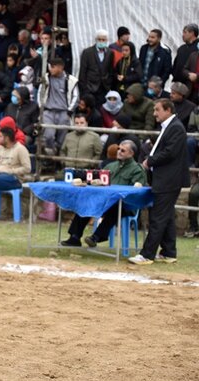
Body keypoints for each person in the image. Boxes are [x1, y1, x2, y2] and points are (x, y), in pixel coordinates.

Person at [129, 99, 190, 265]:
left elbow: (170, 153)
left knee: (158, 218)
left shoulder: (176, 127)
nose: (154, 113)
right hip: (165, 179)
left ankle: (147, 255)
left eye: (157, 110)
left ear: (168, 110)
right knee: (167, 216)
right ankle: (169, 252)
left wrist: (150, 161)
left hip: (169, 180)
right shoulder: (170, 126)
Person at [61, 140, 147, 247]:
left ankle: (96, 237)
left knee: (115, 209)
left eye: (123, 150)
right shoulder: (110, 166)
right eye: (118, 149)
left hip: (126, 205)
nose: (119, 152)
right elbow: (98, 183)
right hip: (105, 201)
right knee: (87, 203)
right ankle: (74, 237)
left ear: (131, 153)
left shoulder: (137, 170)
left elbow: (136, 193)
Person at [37, 57, 79, 154]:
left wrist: (69, 111)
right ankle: (50, 154)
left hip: (64, 113)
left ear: (60, 67)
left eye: (53, 67)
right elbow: (40, 93)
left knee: (62, 139)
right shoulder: (46, 78)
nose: (50, 69)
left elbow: (76, 96)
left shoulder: (71, 80)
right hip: (48, 112)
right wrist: (41, 107)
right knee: (48, 136)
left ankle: (58, 158)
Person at [78, 29, 114, 106]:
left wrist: (108, 83)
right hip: (90, 88)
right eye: (99, 39)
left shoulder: (110, 53)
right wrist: (84, 89)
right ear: (96, 40)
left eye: (103, 40)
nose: (101, 41)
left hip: (104, 88)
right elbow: (82, 72)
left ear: (107, 40)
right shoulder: (87, 52)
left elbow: (110, 70)